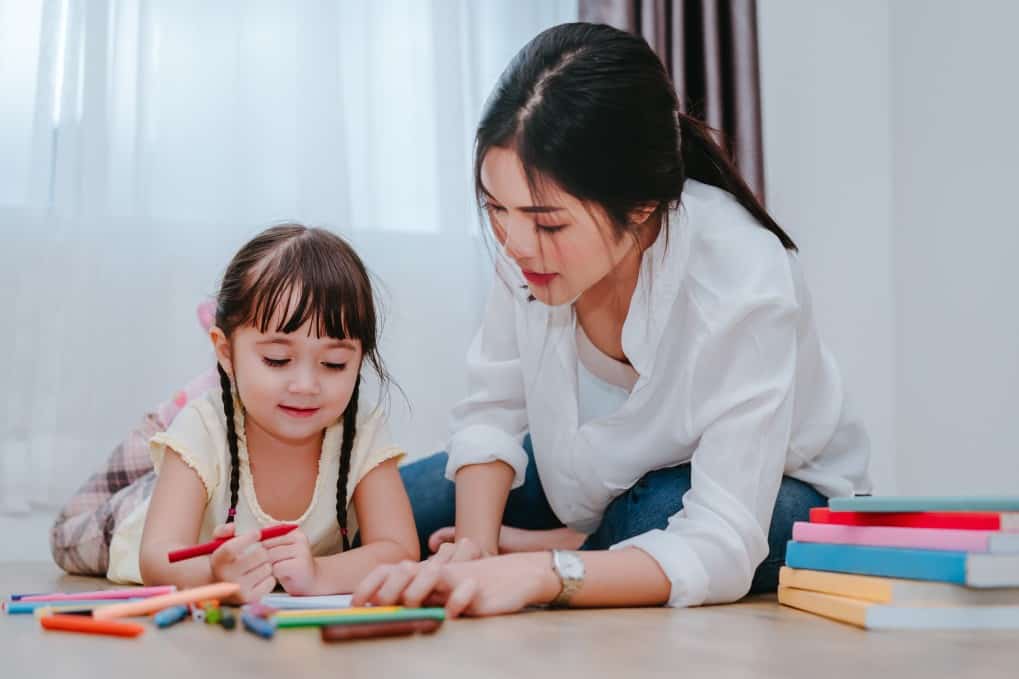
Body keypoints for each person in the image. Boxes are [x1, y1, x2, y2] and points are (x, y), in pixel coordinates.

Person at [353, 22, 870, 617]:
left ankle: (574, 549)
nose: (515, 244)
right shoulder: (526, 251)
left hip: (772, 490)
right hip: (591, 475)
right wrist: (474, 548)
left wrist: (545, 573)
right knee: (390, 509)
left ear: (642, 205)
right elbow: (493, 408)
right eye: (497, 209)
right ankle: (575, 543)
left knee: (652, 516)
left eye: (547, 223)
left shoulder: (744, 279)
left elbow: (723, 538)